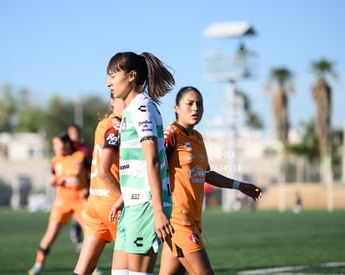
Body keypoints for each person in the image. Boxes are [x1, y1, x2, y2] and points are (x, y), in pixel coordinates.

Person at [159, 86, 263, 275]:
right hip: (178, 220)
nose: (195, 108)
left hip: (194, 220)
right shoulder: (171, 135)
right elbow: (153, 169)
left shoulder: (198, 137)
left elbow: (205, 173)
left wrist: (239, 186)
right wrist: (157, 210)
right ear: (176, 108)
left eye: (199, 104)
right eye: (189, 103)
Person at [106, 51, 175, 275]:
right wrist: (124, 197)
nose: (108, 83)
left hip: (146, 205)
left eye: (112, 76)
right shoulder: (129, 110)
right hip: (132, 205)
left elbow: (152, 159)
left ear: (132, 76)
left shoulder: (142, 108)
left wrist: (158, 211)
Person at [73, 94, 125, 275]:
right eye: (122, 99)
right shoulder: (117, 126)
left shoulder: (102, 124)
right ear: (112, 102)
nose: (127, 104)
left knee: (83, 268)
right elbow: (105, 170)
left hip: (95, 202)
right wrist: (124, 197)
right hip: (113, 204)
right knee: (130, 267)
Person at [28, 133, 89, 275]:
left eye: (57, 144)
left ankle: (92, 266)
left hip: (80, 201)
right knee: (50, 234)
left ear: (66, 144)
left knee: (90, 235)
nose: (55, 147)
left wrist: (88, 189)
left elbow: (94, 173)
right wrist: (53, 181)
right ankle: (38, 265)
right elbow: (53, 178)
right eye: (54, 144)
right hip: (62, 202)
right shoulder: (55, 160)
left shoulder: (80, 156)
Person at [67, 124, 93, 251]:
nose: (74, 136)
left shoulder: (85, 149)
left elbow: (92, 168)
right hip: (70, 191)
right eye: (71, 133)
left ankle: (78, 233)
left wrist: (89, 187)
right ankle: (76, 231)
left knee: (86, 213)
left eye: (76, 133)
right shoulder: (67, 150)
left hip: (86, 186)